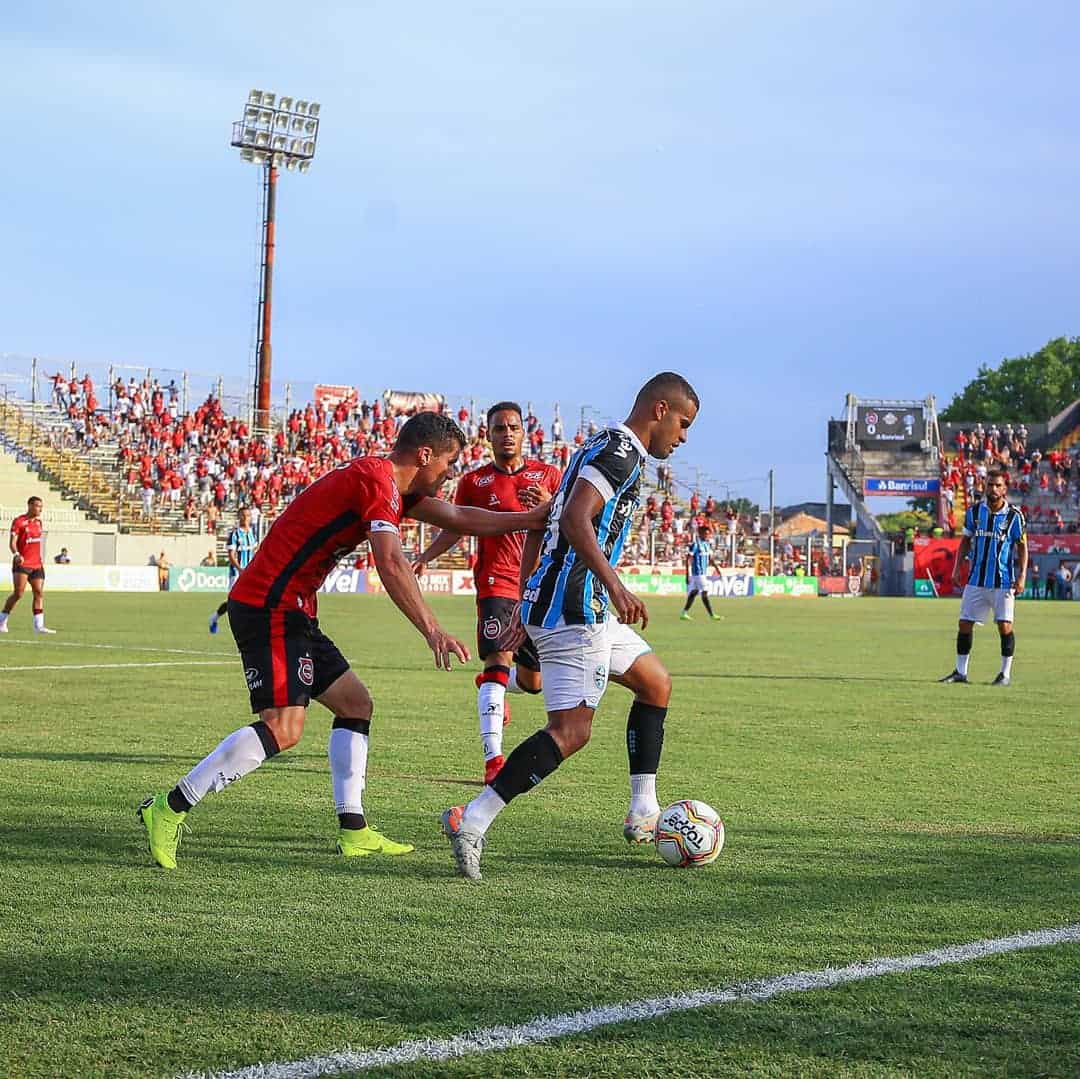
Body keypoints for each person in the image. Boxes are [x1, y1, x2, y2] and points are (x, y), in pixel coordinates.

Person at [137, 412, 548, 870]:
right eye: (448, 463)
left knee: (356, 704)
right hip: (269, 605)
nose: (450, 474)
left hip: (294, 608)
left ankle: (353, 831)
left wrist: (533, 517)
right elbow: (390, 563)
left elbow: (458, 516)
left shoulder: (392, 488)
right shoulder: (377, 481)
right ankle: (169, 808)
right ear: (424, 454)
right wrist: (432, 628)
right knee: (284, 727)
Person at [440, 372, 699, 882]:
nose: (684, 438)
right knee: (571, 731)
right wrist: (616, 586)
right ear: (661, 409)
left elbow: (548, 520)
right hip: (577, 611)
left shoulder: (602, 444)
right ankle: (471, 819)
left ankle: (644, 810)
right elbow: (577, 518)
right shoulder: (619, 455)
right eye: (684, 424)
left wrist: (527, 595)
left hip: (574, 603)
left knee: (655, 683)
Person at [414, 402, 562, 784]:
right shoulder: (475, 483)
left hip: (538, 586)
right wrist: (427, 556)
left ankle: (493, 688)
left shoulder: (549, 476)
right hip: (495, 583)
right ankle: (493, 759)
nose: (507, 433)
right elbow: (456, 525)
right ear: (489, 435)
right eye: (499, 428)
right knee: (498, 660)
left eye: (513, 427)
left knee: (533, 682)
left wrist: (550, 504)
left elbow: (571, 522)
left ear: (524, 432)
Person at [939, 468, 1026, 687]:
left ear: (1004, 489)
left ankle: (1004, 675)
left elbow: (1022, 547)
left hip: (1003, 581)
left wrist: (1022, 576)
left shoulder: (1014, 516)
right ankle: (960, 672)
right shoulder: (975, 512)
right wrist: (957, 568)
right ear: (984, 486)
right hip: (976, 579)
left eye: (998, 485)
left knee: (1004, 626)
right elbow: (965, 541)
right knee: (964, 623)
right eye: (990, 484)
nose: (993, 489)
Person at [0, 497, 55, 634]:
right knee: (18, 593)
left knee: (39, 592)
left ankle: (39, 626)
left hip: (37, 564)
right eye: (37, 506)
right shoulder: (19, 522)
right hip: (23, 563)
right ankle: (2, 620)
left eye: (41, 507)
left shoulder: (39, 523)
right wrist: (16, 554)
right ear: (30, 505)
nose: (40, 509)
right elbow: (12, 542)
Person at [208, 508, 258, 634]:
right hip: (237, 573)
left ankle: (248, 628)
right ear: (239, 517)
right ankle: (214, 618)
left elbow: (255, 552)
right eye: (244, 516)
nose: (246, 518)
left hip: (250, 574)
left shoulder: (252, 533)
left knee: (252, 600)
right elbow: (231, 556)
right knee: (233, 603)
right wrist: (240, 569)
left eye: (248, 515)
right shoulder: (235, 534)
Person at [680, 525, 722, 621]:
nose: (708, 536)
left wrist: (717, 568)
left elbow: (710, 559)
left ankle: (684, 613)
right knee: (705, 592)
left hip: (702, 573)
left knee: (694, 593)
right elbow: (688, 559)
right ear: (701, 534)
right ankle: (712, 615)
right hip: (698, 573)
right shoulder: (696, 545)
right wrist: (687, 575)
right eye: (706, 534)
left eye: (709, 534)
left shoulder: (707, 545)